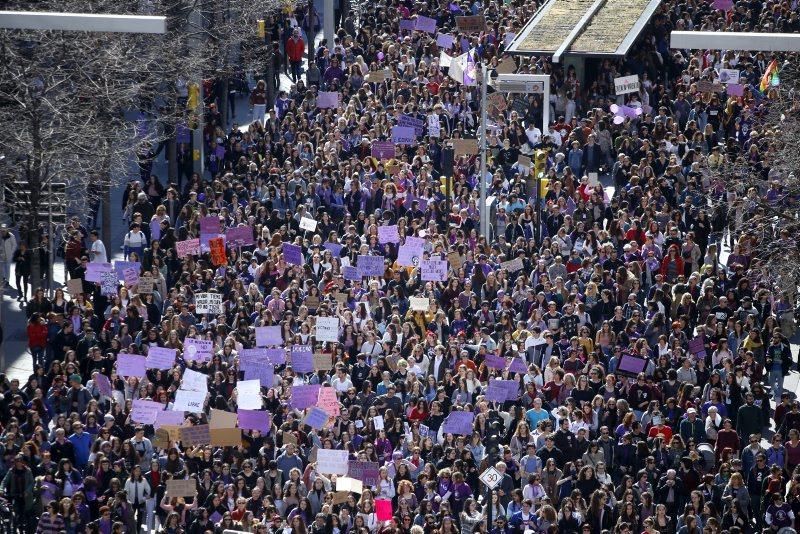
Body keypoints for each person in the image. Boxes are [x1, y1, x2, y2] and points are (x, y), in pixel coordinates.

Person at [0, 223, 18, 288]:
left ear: (7, 230)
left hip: (8, 255)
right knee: (1, 268)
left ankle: (7, 281)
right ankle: (3, 279)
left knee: (7, 268)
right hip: (1, 255)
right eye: (2, 231)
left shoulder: (11, 236)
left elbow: (14, 245)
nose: (3, 232)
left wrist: (11, 252)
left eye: (4, 231)